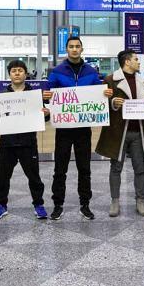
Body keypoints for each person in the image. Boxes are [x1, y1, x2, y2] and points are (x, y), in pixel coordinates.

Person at [46, 37, 111, 220]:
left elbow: (98, 95)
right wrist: (47, 95)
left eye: (77, 46)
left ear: (82, 49)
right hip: (64, 128)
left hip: (83, 128)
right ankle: (58, 204)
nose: (74, 49)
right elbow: (49, 96)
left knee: (85, 168)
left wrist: (104, 93)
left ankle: (85, 204)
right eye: (71, 47)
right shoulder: (57, 71)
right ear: (66, 49)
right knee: (60, 169)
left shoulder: (91, 72)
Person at [97, 50, 144, 217]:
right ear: (127, 62)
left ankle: (140, 201)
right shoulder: (110, 80)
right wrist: (112, 103)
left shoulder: (143, 80)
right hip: (118, 131)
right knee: (116, 167)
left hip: (138, 131)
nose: (139, 62)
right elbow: (101, 103)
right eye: (136, 59)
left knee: (140, 167)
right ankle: (115, 201)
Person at [0, 59, 49, 220]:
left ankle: (38, 204)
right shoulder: (1, 96)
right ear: (9, 74)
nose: (17, 73)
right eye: (13, 71)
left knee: (34, 177)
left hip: (28, 143)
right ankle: (1, 205)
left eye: (20, 70)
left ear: (25, 74)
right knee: (2, 177)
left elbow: (45, 118)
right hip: (7, 144)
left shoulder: (34, 96)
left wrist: (46, 113)